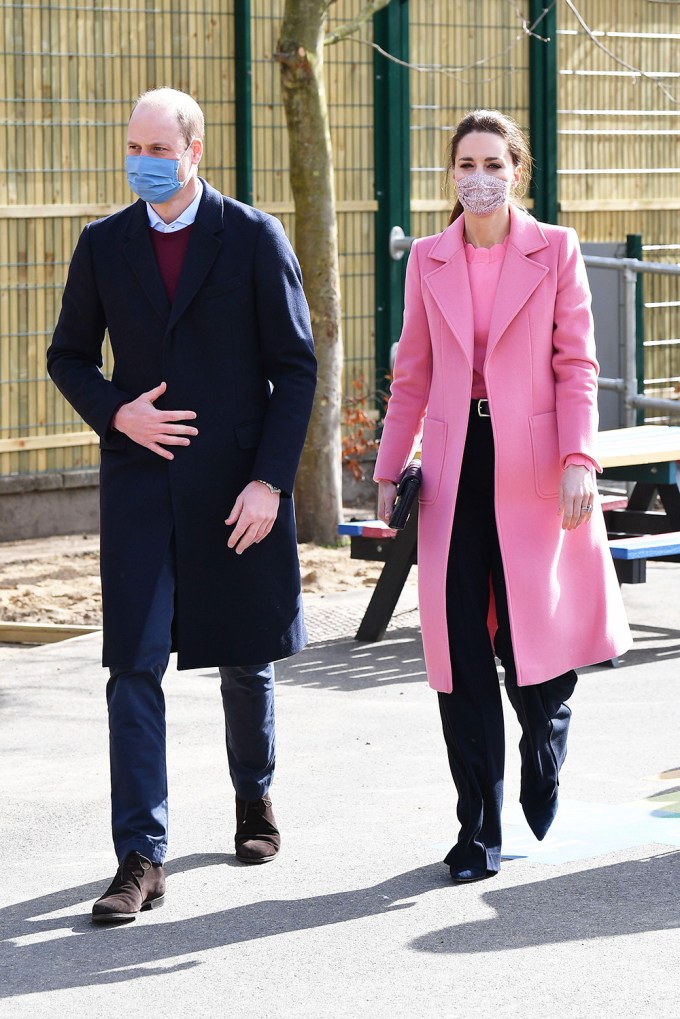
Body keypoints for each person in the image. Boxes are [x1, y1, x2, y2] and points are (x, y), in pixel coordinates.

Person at [47, 87, 317, 922]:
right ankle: (140, 855)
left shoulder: (252, 236)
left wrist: (270, 482)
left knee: (245, 652)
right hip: (138, 483)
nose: (142, 161)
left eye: (158, 148)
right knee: (132, 663)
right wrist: (116, 410)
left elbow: (296, 366)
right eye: (133, 145)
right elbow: (67, 357)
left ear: (194, 151)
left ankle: (254, 797)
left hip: (236, 483)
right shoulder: (103, 244)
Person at [374, 109, 631, 884]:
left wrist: (579, 457)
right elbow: (412, 373)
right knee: (458, 649)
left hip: (535, 464)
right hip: (455, 468)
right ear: (450, 175)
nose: (477, 176)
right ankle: (475, 827)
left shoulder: (555, 249)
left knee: (529, 639)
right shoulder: (429, 258)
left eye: (492, 161)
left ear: (515, 169)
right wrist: (389, 469)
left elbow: (576, 363)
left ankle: (545, 733)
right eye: (464, 164)